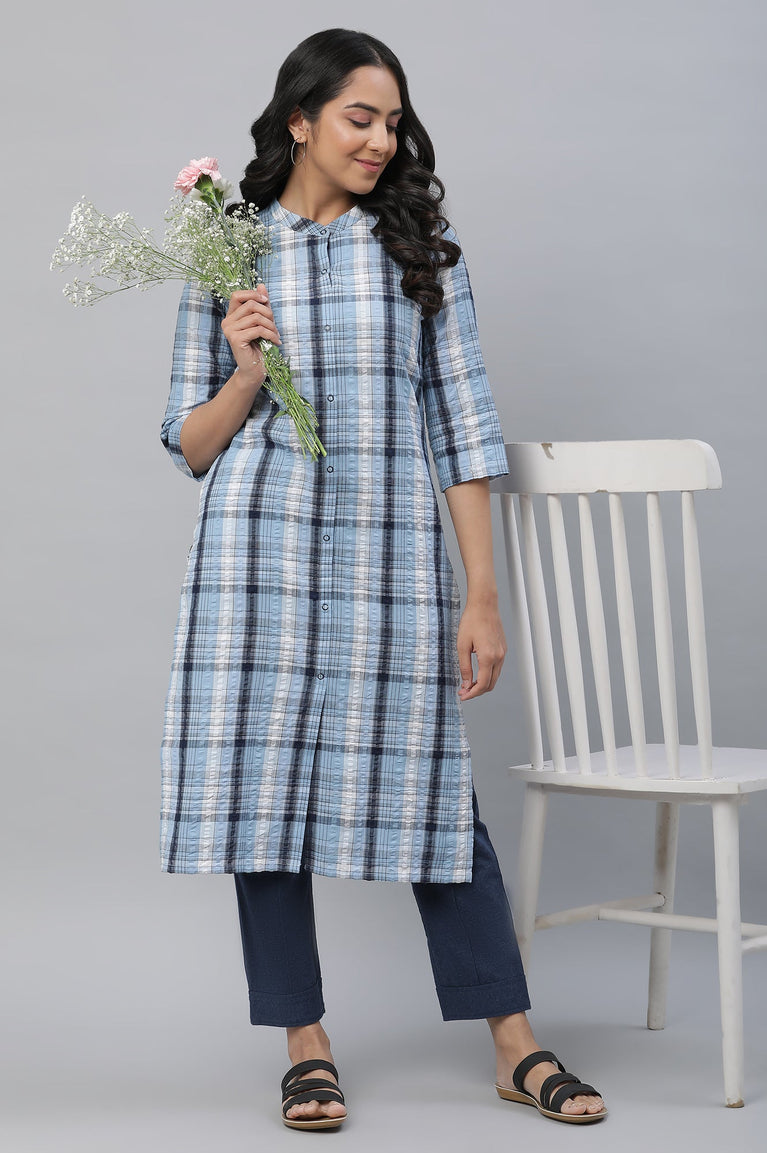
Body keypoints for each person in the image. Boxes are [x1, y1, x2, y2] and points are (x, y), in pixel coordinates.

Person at [159, 28, 607, 1130]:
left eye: (392, 122)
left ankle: (514, 1044)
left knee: (432, 795)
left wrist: (482, 595)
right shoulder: (226, 249)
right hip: (256, 564)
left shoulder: (419, 253)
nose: (379, 140)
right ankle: (304, 1045)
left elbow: (463, 429)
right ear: (300, 120)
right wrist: (247, 371)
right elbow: (189, 443)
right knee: (262, 800)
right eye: (359, 117)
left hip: (388, 561)